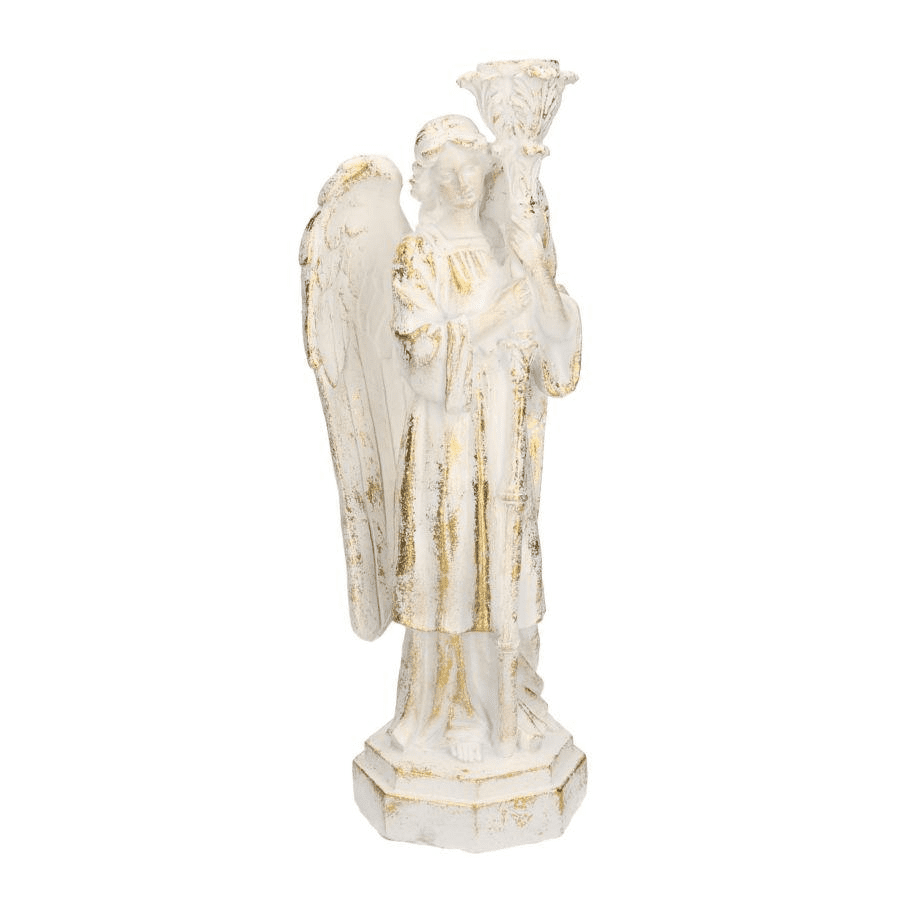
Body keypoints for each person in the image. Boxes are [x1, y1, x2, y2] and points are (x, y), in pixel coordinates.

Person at [387, 115, 581, 762]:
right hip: (449, 440)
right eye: (448, 171)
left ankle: (507, 695)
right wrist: (492, 320)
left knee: (505, 551)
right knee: (453, 558)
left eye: (472, 167)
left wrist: (536, 271)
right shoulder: (419, 254)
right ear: (429, 180)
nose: (463, 182)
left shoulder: (508, 250)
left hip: (505, 433)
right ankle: (453, 705)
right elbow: (422, 354)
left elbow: (559, 357)